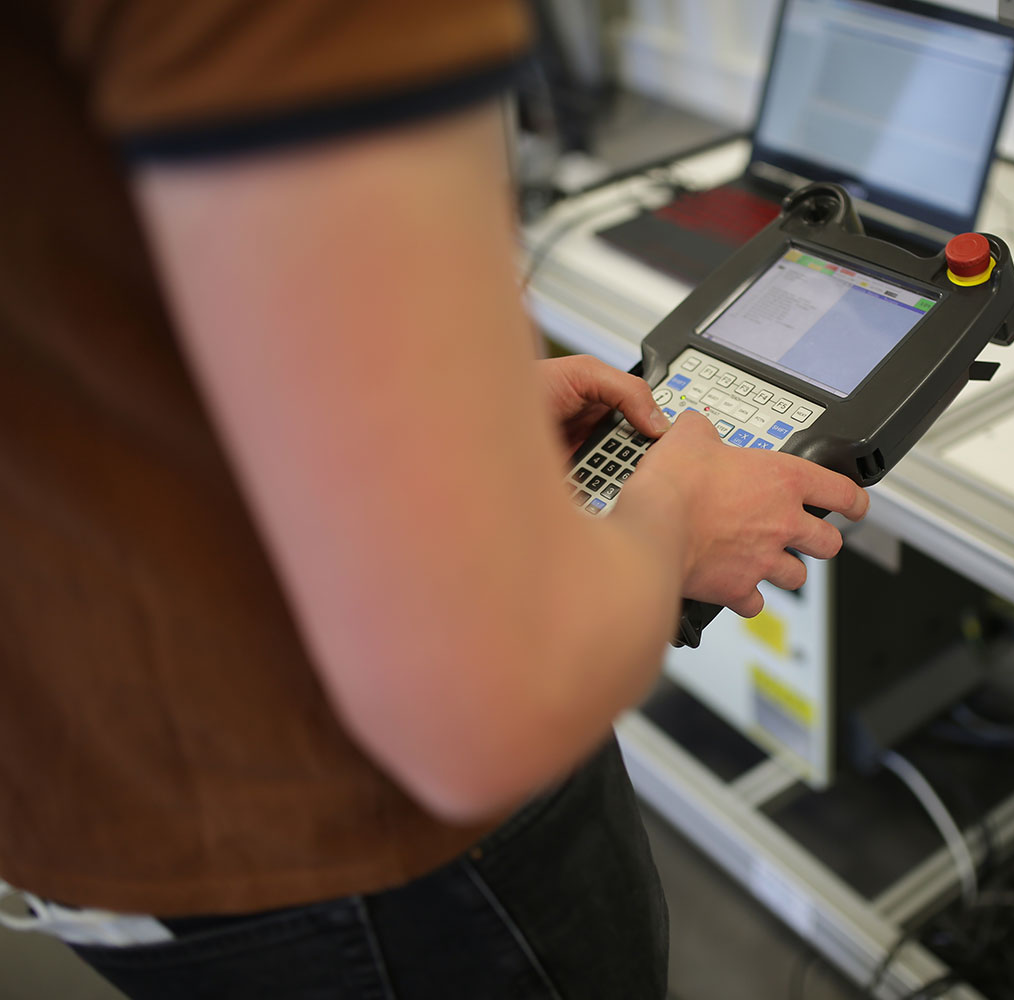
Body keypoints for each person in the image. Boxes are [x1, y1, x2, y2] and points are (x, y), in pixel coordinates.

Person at [0, 1, 868, 997]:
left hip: (96, 798)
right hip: (352, 851)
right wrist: (671, 527)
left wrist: (446, 440)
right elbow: (488, 700)